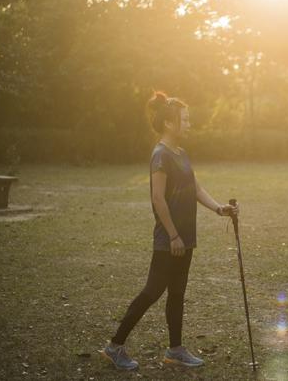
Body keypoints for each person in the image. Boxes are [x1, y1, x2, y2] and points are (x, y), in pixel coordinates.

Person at [99, 90, 239, 370]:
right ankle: (114, 347)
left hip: (185, 237)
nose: (188, 124)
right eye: (184, 120)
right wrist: (173, 235)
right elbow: (157, 198)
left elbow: (195, 188)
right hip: (169, 239)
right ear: (169, 123)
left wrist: (218, 208)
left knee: (177, 293)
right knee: (152, 292)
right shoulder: (160, 155)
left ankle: (175, 350)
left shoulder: (182, 154)